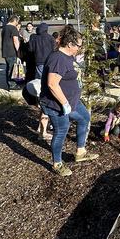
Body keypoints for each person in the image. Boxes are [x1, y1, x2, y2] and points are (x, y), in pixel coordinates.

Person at [39, 25, 98, 177]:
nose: (80, 47)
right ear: (70, 44)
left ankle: (80, 151)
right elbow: (52, 84)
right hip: (56, 104)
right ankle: (57, 163)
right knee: (61, 131)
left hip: (72, 101)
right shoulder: (58, 59)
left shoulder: (67, 56)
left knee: (84, 117)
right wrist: (65, 104)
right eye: (79, 45)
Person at [1, 15, 21, 90]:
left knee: (8, 68)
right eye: (17, 21)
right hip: (11, 51)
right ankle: (12, 84)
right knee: (12, 69)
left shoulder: (4, 28)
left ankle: (9, 83)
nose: (17, 23)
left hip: (5, 51)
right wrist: (18, 51)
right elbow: (15, 40)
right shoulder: (13, 28)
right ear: (15, 20)